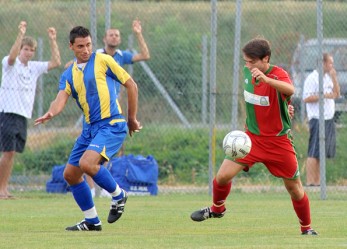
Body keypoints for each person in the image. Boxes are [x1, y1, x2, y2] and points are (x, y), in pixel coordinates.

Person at [190, 37, 318, 236]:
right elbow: (267, 100)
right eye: (245, 62)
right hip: (252, 140)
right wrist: (284, 106)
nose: (248, 66)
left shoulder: (278, 74)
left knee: (295, 188)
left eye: (252, 62)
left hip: (278, 142)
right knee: (222, 176)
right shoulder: (247, 72)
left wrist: (269, 83)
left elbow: (290, 90)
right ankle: (217, 209)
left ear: (265, 59)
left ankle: (306, 229)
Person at [35, 26, 141, 231]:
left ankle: (119, 195)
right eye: (80, 46)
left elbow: (132, 85)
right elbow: (60, 99)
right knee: (70, 175)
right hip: (90, 129)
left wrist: (132, 119)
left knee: (87, 164)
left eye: (89, 45)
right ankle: (92, 220)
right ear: (71, 47)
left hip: (111, 123)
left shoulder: (103, 60)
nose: (86, 49)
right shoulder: (68, 74)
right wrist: (51, 112)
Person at [88, 19, 150, 197]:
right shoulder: (95, 55)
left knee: (107, 150)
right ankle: (92, 189)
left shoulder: (121, 56)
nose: (114, 37)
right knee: (90, 148)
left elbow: (145, 54)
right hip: (95, 107)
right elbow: (73, 65)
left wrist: (138, 33)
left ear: (120, 39)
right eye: (111, 34)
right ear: (104, 38)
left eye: (117, 35)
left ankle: (106, 187)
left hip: (113, 109)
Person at [0, 21, 61, 199]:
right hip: (7, 112)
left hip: (22, 114)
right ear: (20, 49)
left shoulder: (33, 68)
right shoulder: (10, 63)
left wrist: (53, 39)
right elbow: (11, 58)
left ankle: (4, 189)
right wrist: (20, 34)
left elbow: (56, 62)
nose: (29, 52)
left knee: (12, 154)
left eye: (31, 50)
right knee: (8, 152)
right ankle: (0, 189)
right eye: (26, 49)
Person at [303, 53, 340, 187]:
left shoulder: (328, 78)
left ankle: (317, 182)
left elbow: (336, 94)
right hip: (317, 118)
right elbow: (306, 98)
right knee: (314, 151)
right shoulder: (312, 78)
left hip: (328, 118)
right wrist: (323, 95)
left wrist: (334, 77)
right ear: (323, 63)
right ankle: (310, 182)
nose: (332, 66)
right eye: (330, 63)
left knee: (322, 152)